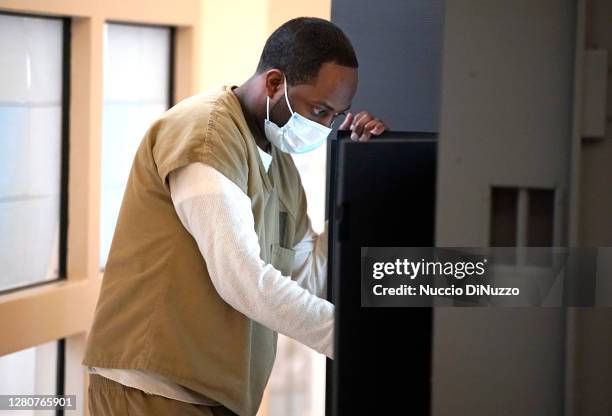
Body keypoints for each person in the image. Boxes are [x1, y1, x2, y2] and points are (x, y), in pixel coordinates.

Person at [83, 16, 386, 416]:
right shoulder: (205, 134)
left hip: (213, 393)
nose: (325, 127)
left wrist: (361, 174)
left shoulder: (280, 168)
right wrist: (355, 337)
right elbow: (241, 278)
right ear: (275, 83)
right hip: (153, 389)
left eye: (335, 115)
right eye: (319, 109)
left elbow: (309, 277)